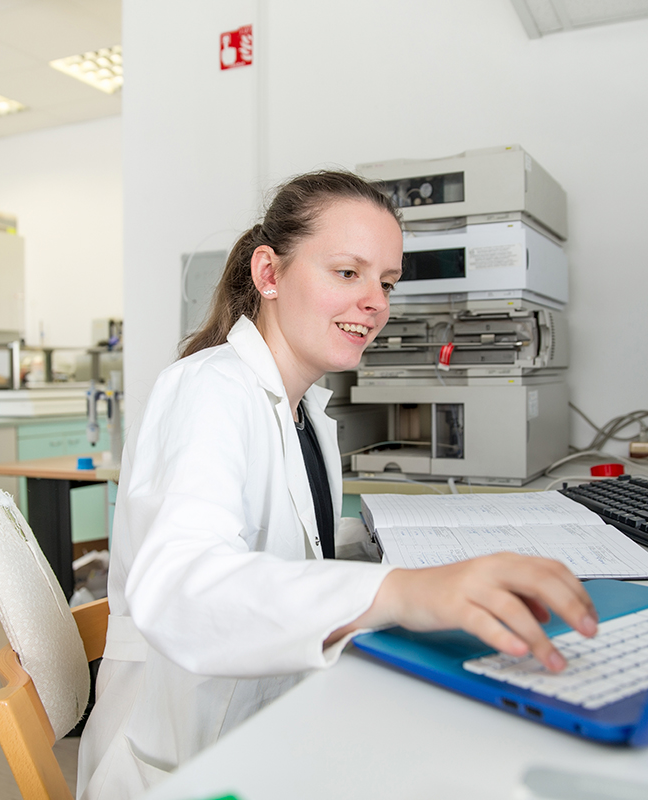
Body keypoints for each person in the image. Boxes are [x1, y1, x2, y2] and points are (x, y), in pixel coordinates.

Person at [76, 170, 598, 800]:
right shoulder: (208, 389)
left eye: (386, 282)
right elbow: (183, 590)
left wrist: (418, 554)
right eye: (347, 273)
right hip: (187, 761)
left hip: (274, 726)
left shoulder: (307, 411)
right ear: (269, 275)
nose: (375, 301)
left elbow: (288, 542)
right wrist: (403, 590)